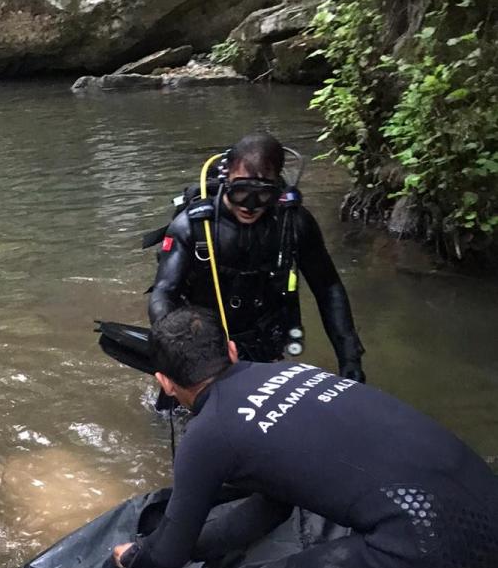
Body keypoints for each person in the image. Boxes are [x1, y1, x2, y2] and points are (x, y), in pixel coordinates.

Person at [112, 307, 498, 568]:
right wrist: (206, 547)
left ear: (165, 384)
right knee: (396, 534)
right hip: (485, 516)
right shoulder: (298, 371)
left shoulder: (208, 434)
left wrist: (136, 556)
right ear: (231, 349)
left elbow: (169, 552)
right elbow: (271, 509)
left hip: (427, 547)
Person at [147, 132, 365, 381]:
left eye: (263, 194)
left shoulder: (294, 224)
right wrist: (178, 353)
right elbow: (164, 292)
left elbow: (328, 289)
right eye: (241, 192)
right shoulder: (192, 227)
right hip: (204, 344)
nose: (250, 205)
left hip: (266, 341)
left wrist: (350, 361)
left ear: (278, 187)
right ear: (226, 177)